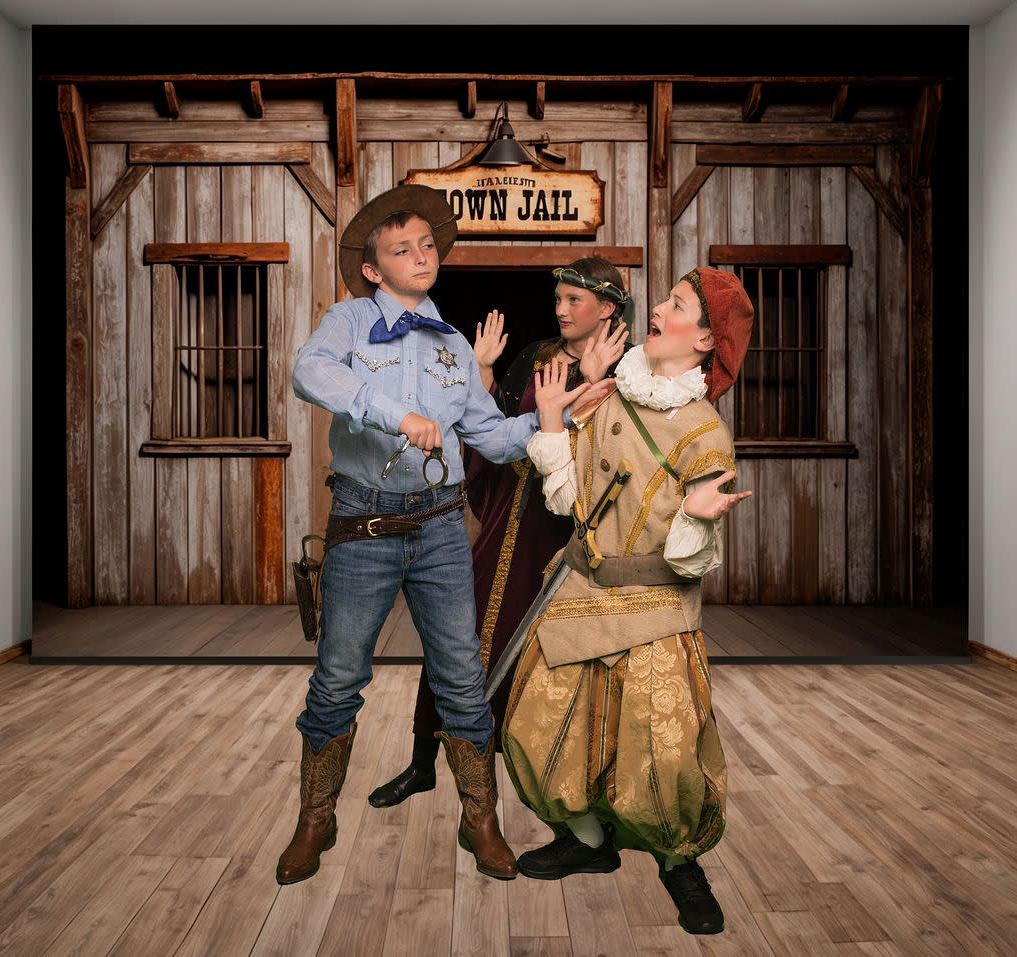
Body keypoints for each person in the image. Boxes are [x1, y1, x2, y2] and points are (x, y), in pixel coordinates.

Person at [276, 184, 607, 887]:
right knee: (338, 677)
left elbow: (492, 434)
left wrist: (558, 413)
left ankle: (479, 818)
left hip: (439, 529)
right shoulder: (347, 321)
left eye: (428, 245)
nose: (422, 256)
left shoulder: (454, 344)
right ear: (373, 268)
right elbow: (309, 373)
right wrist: (393, 411)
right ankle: (315, 817)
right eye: (403, 249)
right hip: (362, 524)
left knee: (463, 674)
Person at [501, 267, 755, 936]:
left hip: (655, 609)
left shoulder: (705, 432)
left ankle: (679, 863)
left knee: (664, 752)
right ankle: (588, 840)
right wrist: (557, 418)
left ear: (704, 338)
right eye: (668, 299)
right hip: (581, 591)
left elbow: (689, 558)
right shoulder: (611, 394)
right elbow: (565, 500)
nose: (659, 308)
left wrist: (700, 515)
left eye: (676, 305)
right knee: (538, 729)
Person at [367, 258, 631, 810]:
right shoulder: (537, 357)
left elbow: (610, 452)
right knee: (456, 633)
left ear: (606, 308)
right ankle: (423, 762)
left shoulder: (629, 373)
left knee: (548, 654)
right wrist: (482, 372)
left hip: (568, 526)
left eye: (572, 301)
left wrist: (593, 379)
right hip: (515, 511)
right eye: (556, 299)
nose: (559, 309)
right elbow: (499, 425)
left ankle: (550, 789)